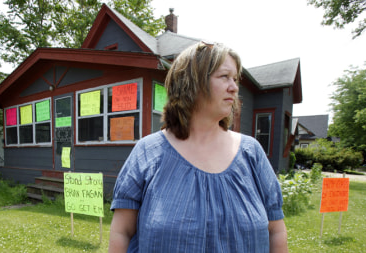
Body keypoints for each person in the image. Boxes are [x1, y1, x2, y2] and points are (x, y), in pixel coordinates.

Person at [108, 41, 288, 252]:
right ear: (191, 83)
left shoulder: (252, 153)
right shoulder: (148, 152)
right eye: (224, 77)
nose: (234, 87)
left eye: (235, 79)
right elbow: (122, 231)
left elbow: (276, 230)